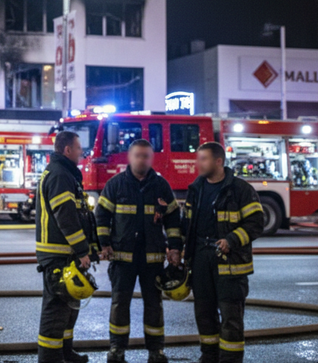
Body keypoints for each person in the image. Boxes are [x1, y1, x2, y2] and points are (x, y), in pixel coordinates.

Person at [95, 139, 182, 363]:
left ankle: (156, 351)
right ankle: (117, 350)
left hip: (152, 259)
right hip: (122, 258)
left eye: (146, 156)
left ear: (151, 158)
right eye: (137, 155)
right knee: (119, 303)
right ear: (129, 157)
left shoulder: (161, 186)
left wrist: (174, 248)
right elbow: (102, 215)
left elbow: (173, 218)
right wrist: (104, 243)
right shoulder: (115, 185)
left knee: (154, 304)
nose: (141, 159)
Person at [182, 142, 263, 363]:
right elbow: (186, 225)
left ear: (218, 161)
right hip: (201, 259)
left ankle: (230, 360)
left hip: (230, 262)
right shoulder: (196, 189)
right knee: (204, 313)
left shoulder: (240, 190)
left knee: (231, 316)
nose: (198, 164)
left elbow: (256, 223)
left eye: (203, 159)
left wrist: (232, 240)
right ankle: (209, 356)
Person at [35, 131, 99, 363]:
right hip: (58, 255)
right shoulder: (60, 175)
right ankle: (50, 359)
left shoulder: (65, 173)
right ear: (67, 150)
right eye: (79, 148)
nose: (82, 153)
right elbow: (66, 217)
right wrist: (82, 250)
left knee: (69, 307)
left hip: (65, 253)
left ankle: (64, 353)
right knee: (55, 311)